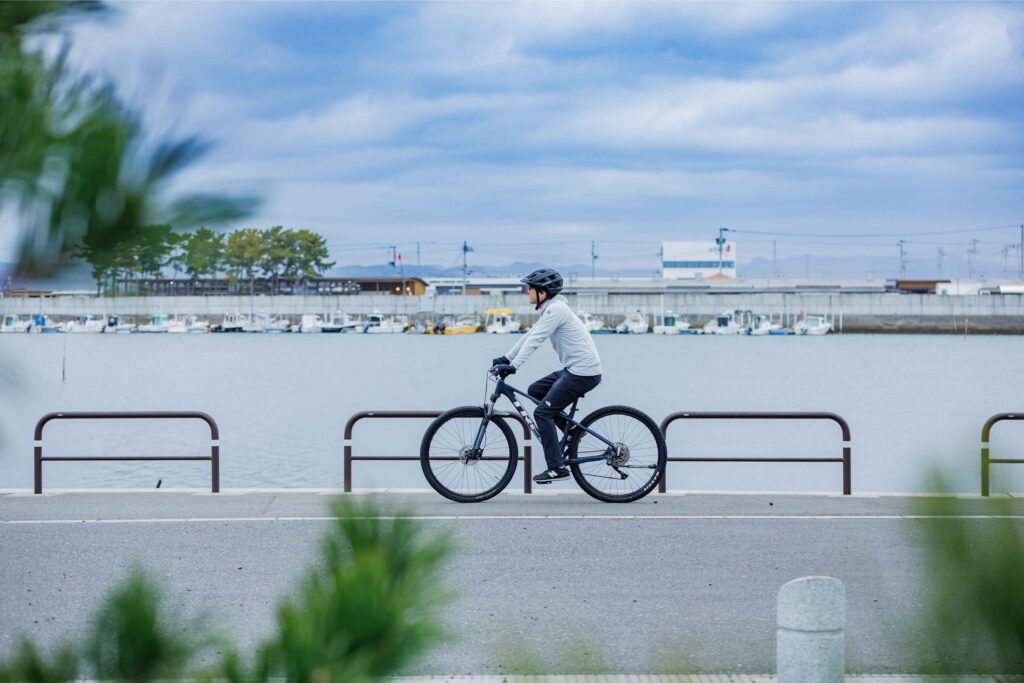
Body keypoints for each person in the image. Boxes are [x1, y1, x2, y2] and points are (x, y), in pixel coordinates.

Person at [491, 268, 602, 483]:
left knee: (542, 414)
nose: (527, 292)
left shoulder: (556, 310)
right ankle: (572, 431)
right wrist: (506, 358)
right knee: (535, 390)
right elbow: (530, 335)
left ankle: (557, 468)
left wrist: (514, 366)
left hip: (583, 372)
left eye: (529, 289)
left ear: (542, 292)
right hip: (575, 369)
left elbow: (536, 340)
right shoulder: (550, 309)